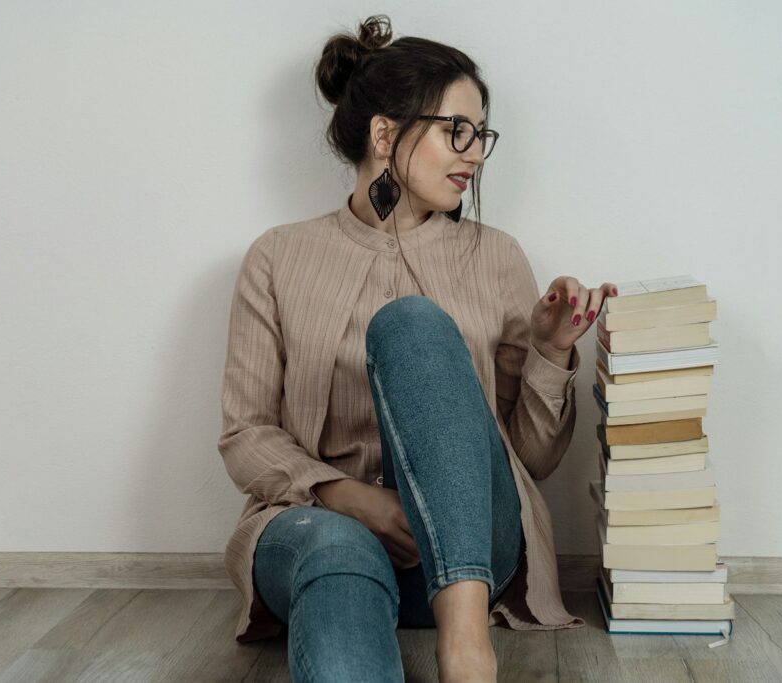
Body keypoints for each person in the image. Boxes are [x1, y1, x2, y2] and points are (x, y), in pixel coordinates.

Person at [218, 14, 618, 683]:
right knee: (336, 553)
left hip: (466, 554)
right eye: (456, 130)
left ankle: (465, 645)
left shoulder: (496, 257)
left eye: (481, 134)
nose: (475, 153)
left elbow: (530, 459)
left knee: (411, 325)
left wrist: (550, 352)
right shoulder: (277, 258)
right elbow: (244, 433)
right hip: (321, 530)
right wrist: (354, 498)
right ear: (384, 134)